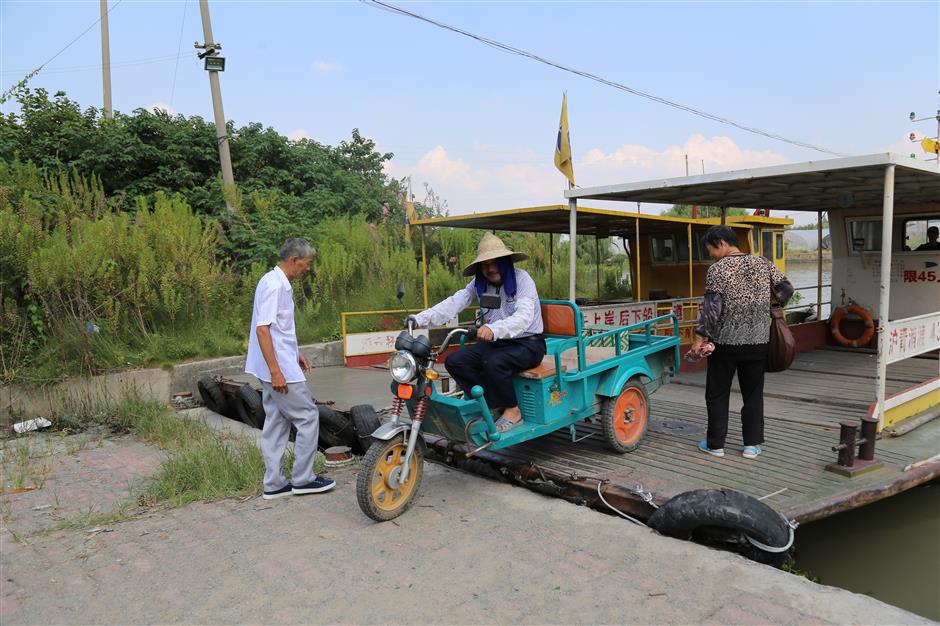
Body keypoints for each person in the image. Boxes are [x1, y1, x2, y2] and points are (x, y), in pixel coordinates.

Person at [410, 233, 545, 432]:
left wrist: (493, 328)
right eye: (485, 265)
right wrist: (419, 319)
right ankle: (490, 404)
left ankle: (512, 409)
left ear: (505, 262)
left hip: (527, 343)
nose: (490, 269)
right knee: (455, 361)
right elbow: (455, 302)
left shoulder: (522, 280)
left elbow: (524, 317)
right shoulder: (479, 283)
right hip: (497, 343)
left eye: (495, 263)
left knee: (494, 362)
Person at [689, 225, 794, 460]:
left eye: (711, 250)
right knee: (753, 394)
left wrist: (699, 339)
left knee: (717, 394)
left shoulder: (717, 270)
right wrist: (767, 309)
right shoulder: (763, 263)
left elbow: (711, 310)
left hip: (724, 344)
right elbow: (787, 288)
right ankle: (752, 446)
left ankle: (715, 445)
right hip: (758, 341)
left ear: (721, 243)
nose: (712, 256)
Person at [246, 237, 336, 499]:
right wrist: (277, 371)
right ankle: (303, 478)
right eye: (307, 264)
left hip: (274, 364)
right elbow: (263, 330)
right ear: (294, 260)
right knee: (308, 416)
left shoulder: (273, 282)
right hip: (278, 369)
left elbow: (277, 328)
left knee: (276, 421)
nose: (307, 269)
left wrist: (296, 352)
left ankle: (274, 483)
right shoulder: (275, 286)